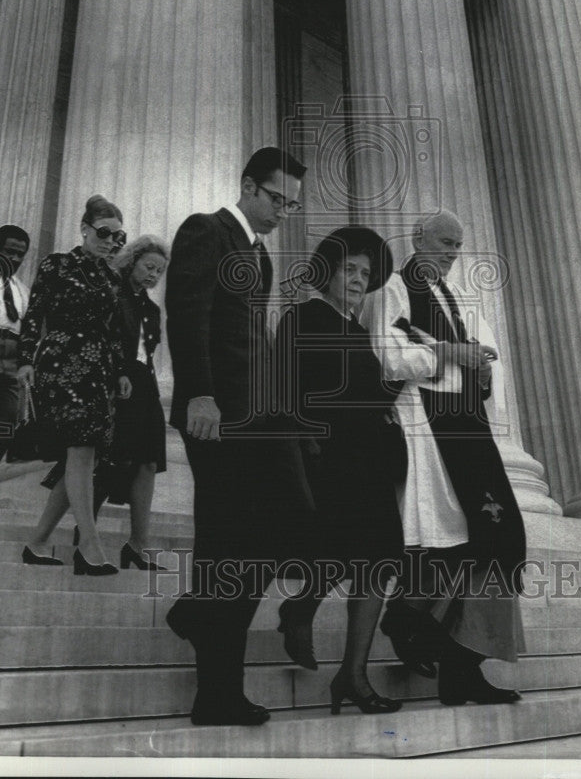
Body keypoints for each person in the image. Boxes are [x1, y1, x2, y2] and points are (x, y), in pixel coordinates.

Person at [164, 147, 315, 727]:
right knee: (225, 546)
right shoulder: (207, 231)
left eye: (292, 205)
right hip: (219, 417)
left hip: (262, 420)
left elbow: (258, 344)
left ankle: (199, 612)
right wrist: (199, 392)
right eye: (277, 199)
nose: (283, 211)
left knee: (293, 521)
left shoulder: (262, 257)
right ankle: (217, 692)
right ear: (248, 186)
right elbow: (187, 313)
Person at [359, 210, 526, 705]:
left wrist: (475, 365)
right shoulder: (392, 286)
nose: (453, 253)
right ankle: (434, 644)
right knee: (474, 541)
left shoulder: (453, 296)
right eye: (444, 242)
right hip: (430, 430)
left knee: (502, 538)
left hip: (469, 428)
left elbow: (483, 355)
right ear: (417, 238)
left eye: (457, 245)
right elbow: (387, 356)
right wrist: (450, 353)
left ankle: (426, 634)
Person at [274, 227, 404, 715]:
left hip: (369, 459)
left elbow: (367, 395)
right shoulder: (302, 316)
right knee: (340, 549)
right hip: (325, 456)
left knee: (380, 559)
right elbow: (283, 387)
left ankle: (353, 674)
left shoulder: (359, 331)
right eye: (349, 269)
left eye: (365, 273)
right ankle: (300, 607)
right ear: (326, 271)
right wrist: (300, 443)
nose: (357, 279)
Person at [16, 195, 131, 575]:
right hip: (61, 362)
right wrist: (24, 361)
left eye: (118, 236)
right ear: (84, 229)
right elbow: (35, 313)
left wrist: (120, 372)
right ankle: (91, 545)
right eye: (104, 232)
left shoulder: (112, 277)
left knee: (83, 457)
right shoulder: (57, 264)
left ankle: (37, 543)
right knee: (81, 449)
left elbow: (112, 332)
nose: (111, 240)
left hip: (97, 369)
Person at [72, 236, 170, 570]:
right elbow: (101, 338)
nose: (154, 275)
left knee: (149, 463)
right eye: (149, 267)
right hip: (117, 381)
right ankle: (85, 537)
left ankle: (138, 545)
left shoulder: (153, 309)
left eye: (159, 271)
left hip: (146, 384)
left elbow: (149, 352)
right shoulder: (113, 294)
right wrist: (114, 376)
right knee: (110, 460)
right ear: (133, 261)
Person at [0, 224, 31, 477]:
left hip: (12, 357)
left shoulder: (22, 289)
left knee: (6, 421)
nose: (15, 259)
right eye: (9, 252)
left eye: (20, 254)